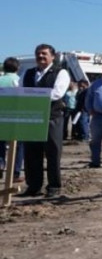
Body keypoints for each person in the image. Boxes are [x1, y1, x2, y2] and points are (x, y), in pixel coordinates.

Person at [19, 44, 70, 198]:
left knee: (53, 153)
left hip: (51, 118)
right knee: (31, 153)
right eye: (38, 54)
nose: (40, 56)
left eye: (44, 54)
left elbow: (57, 93)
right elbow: (20, 90)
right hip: (32, 119)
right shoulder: (28, 73)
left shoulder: (61, 73)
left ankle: (54, 187)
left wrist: (33, 97)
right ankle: (33, 186)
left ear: (52, 57)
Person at [0, 57, 24, 183]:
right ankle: (15, 173)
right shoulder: (19, 81)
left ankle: (0, 164)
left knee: (0, 143)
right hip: (15, 116)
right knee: (18, 145)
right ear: (17, 68)